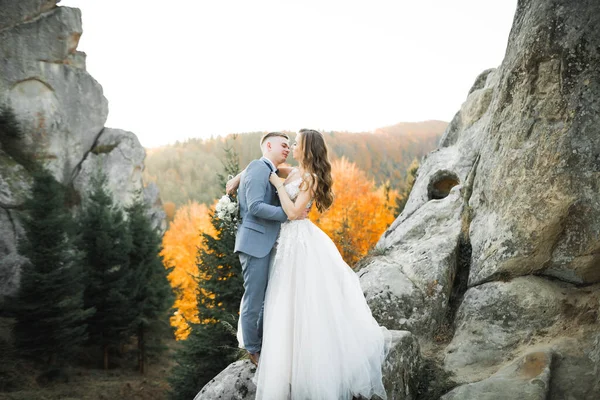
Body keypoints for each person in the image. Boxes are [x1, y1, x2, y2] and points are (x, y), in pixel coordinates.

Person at [239, 129, 390, 400]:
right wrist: (238, 177)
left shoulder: (310, 177)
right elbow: (265, 168)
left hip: (300, 240)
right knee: (283, 297)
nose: (292, 146)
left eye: (296, 143)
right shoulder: (295, 171)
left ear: (307, 148)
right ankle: (286, 353)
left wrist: (277, 187)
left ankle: (308, 358)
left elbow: (294, 212)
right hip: (286, 242)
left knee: (302, 295)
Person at [233, 131, 308, 367]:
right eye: (283, 145)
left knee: (269, 297)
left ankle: (265, 343)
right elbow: (255, 206)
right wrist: (289, 214)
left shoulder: (271, 171)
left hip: (270, 242)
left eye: (289, 146)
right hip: (255, 243)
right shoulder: (259, 167)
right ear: (268, 146)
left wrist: (236, 178)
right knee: (254, 299)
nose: (287, 149)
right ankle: (253, 350)